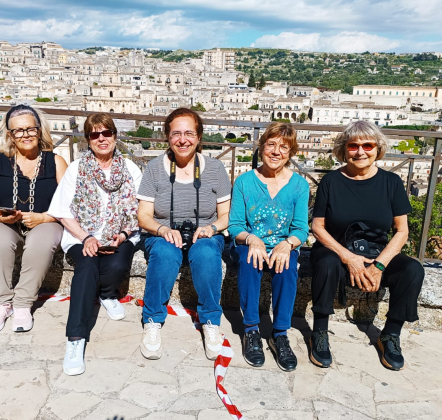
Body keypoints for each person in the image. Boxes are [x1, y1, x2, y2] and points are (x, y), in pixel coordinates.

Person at [310, 120, 425, 371]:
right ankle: (319, 331)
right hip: (336, 250)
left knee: (412, 270)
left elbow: (401, 230)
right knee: (326, 264)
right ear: (344, 149)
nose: (360, 151)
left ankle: (390, 335)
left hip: (377, 252)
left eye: (367, 145)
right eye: (353, 146)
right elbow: (318, 226)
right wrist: (348, 257)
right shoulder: (331, 181)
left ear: (377, 149)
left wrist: (380, 264)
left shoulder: (391, 183)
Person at [47, 113, 142, 376]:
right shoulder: (77, 169)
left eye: (107, 133)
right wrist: (87, 237)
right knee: (87, 266)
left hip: (120, 234)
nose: (101, 138)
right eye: (94, 134)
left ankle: (107, 294)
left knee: (117, 264)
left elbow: (139, 211)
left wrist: (122, 235)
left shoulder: (131, 170)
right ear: (88, 139)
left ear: (115, 136)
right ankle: (75, 339)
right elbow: (63, 211)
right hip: (81, 235)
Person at [137, 108, 232, 361]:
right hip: (162, 232)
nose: (182, 139)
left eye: (189, 133)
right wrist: (163, 229)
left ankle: (210, 321)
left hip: (205, 233)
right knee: (165, 254)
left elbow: (226, 216)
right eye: (176, 133)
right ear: (167, 137)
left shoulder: (215, 168)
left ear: (199, 137)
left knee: (206, 253)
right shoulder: (154, 168)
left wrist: (211, 229)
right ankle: (152, 320)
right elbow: (144, 216)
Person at [0, 104, 67, 334]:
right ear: (10, 135)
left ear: (40, 130)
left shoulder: (55, 162)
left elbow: (69, 205)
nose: (25, 135)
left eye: (30, 129)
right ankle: (1, 304)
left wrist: (44, 217)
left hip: (46, 222)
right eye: (19, 131)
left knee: (42, 241)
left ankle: (23, 303)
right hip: (7, 223)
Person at [228, 122, 309, 372]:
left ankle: (279, 334)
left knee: (287, 270)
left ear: (291, 152)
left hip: (282, 245)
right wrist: (252, 239)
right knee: (250, 262)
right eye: (271, 145)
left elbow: (301, 229)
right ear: (261, 148)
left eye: (283, 147)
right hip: (249, 243)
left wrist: (288, 244)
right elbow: (235, 225)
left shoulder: (299, 185)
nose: (276, 152)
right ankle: (251, 330)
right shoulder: (245, 182)